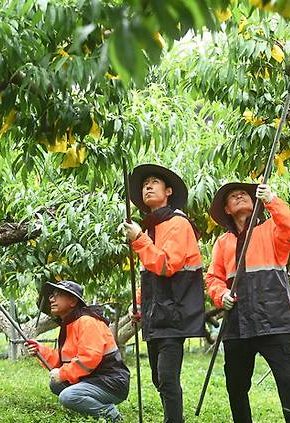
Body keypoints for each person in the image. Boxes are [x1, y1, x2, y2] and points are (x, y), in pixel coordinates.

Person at [205, 182, 290, 423]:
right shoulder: (223, 242)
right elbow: (213, 278)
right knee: (236, 386)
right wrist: (222, 296)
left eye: (244, 194)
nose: (239, 196)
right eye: (232, 196)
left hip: (274, 319)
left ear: (255, 202)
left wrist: (272, 199)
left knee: (287, 380)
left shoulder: (272, 229)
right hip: (237, 323)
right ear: (227, 209)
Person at [119, 164, 205, 423]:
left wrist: (138, 240)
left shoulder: (177, 223)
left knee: (167, 378)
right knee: (158, 377)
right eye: (145, 183)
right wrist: (139, 306)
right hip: (157, 313)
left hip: (175, 312)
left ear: (168, 191)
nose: (147, 186)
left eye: (154, 182)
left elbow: (166, 266)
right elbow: (149, 275)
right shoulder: (151, 228)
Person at [25, 280, 129, 422]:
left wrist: (62, 373)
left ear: (73, 301)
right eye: (51, 295)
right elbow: (63, 358)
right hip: (93, 379)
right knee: (56, 384)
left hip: (110, 382)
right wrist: (40, 350)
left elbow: (89, 359)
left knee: (68, 396)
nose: (51, 298)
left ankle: (111, 415)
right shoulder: (70, 323)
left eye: (58, 294)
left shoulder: (87, 321)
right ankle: (88, 407)